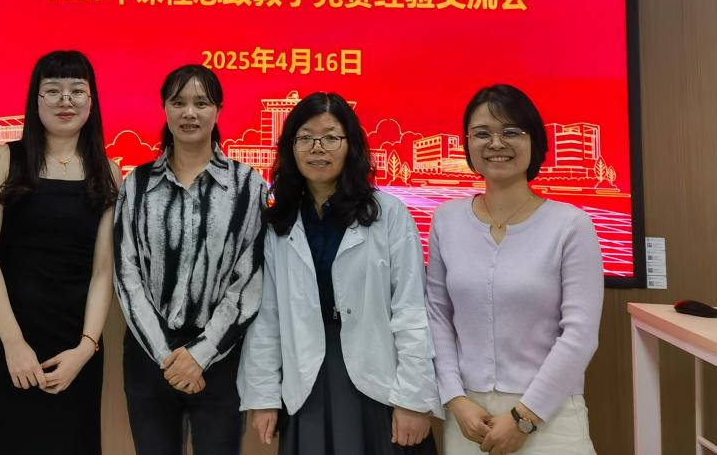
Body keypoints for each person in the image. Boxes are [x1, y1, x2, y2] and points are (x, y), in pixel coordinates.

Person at [239, 92, 441, 454]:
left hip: (378, 375)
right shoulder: (280, 222)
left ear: (351, 146)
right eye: (305, 138)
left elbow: (411, 310)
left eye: (331, 137)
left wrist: (414, 397)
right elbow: (267, 318)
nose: (318, 148)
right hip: (306, 376)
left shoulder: (388, 214)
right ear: (290, 148)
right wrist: (264, 395)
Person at [0, 50, 119, 455]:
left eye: (77, 91)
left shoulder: (109, 171)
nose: (66, 101)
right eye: (53, 90)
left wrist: (86, 347)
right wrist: (13, 342)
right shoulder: (5, 159)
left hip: (74, 346)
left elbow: (104, 270)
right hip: (7, 337)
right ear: (36, 99)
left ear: (91, 101)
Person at [426, 84, 603, 455]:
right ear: (467, 144)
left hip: (550, 416)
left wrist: (525, 416)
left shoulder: (570, 225)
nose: (496, 143)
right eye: (482, 133)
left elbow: (580, 335)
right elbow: (438, 316)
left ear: (534, 141)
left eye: (511, 131)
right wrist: (455, 398)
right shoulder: (446, 220)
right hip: (470, 420)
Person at [114, 64, 266, 455]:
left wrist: (200, 355)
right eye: (178, 102)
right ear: (164, 108)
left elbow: (249, 281)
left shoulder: (247, 185)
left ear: (218, 110)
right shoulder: (137, 184)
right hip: (150, 356)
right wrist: (168, 357)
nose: (189, 113)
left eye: (201, 103)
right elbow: (126, 275)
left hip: (220, 355)